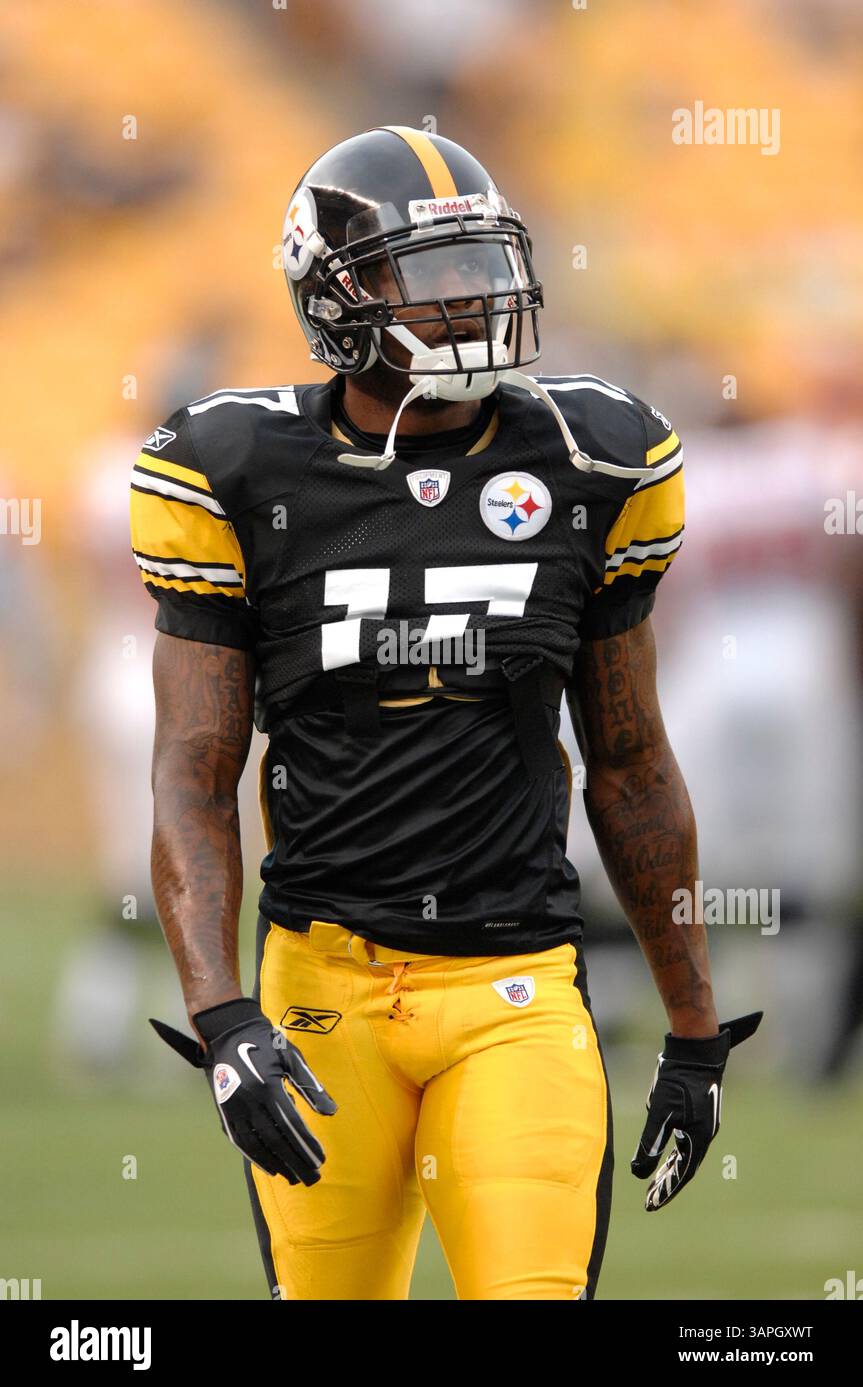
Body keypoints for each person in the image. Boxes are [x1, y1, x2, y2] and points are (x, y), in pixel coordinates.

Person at [131, 126, 760, 1301]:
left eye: (479, 266)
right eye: (427, 275)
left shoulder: (590, 457)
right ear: (335, 294)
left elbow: (628, 761)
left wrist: (691, 1028)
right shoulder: (237, 471)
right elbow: (192, 774)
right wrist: (222, 1021)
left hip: (512, 987)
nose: (469, 300)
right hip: (319, 990)